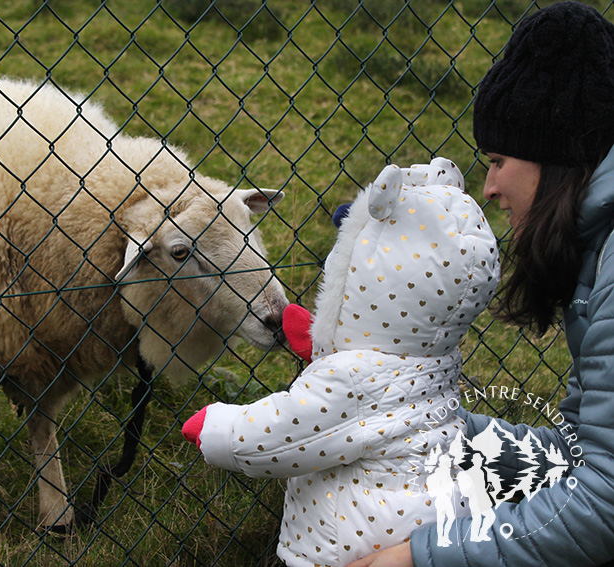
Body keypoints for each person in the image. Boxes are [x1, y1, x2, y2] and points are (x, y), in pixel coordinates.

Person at [349, 2, 614, 566]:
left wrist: (417, 558)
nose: (489, 187)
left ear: (554, 155)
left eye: (498, 160)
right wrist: (433, 427)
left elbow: (604, 507)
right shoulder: (599, 253)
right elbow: (578, 456)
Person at [182, 158, 501, 566]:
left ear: (365, 284)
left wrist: (221, 430)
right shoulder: (435, 362)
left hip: (350, 550)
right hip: (439, 533)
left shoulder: (350, 381)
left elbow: (288, 430)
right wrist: (326, 347)